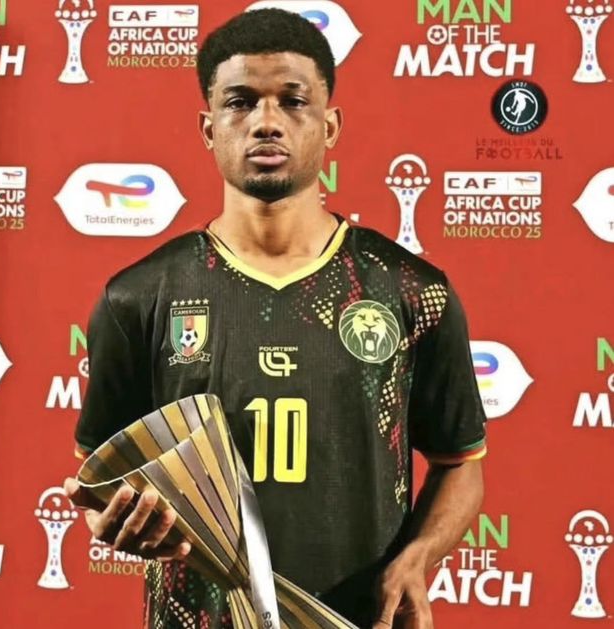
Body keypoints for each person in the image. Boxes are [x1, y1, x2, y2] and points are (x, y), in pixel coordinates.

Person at [64, 8, 486, 629]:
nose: (266, 121)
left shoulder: (409, 290)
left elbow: (460, 463)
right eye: (240, 103)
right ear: (209, 128)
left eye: (293, 101)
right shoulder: (139, 297)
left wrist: (418, 557)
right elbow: (98, 484)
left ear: (330, 125)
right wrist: (113, 519)